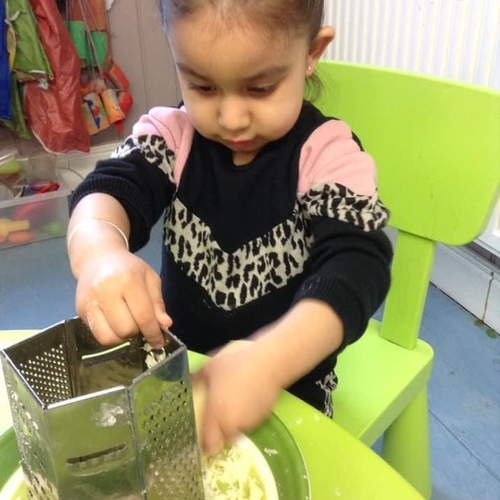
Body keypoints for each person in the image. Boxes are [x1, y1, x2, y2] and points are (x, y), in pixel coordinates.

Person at [67, 0, 392, 456]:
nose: (232, 118)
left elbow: (358, 266)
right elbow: (109, 190)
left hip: (287, 389)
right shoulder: (173, 137)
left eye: (260, 88)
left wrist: (269, 362)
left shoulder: (326, 156)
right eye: (202, 86)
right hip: (180, 376)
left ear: (311, 53)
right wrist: (99, 252)